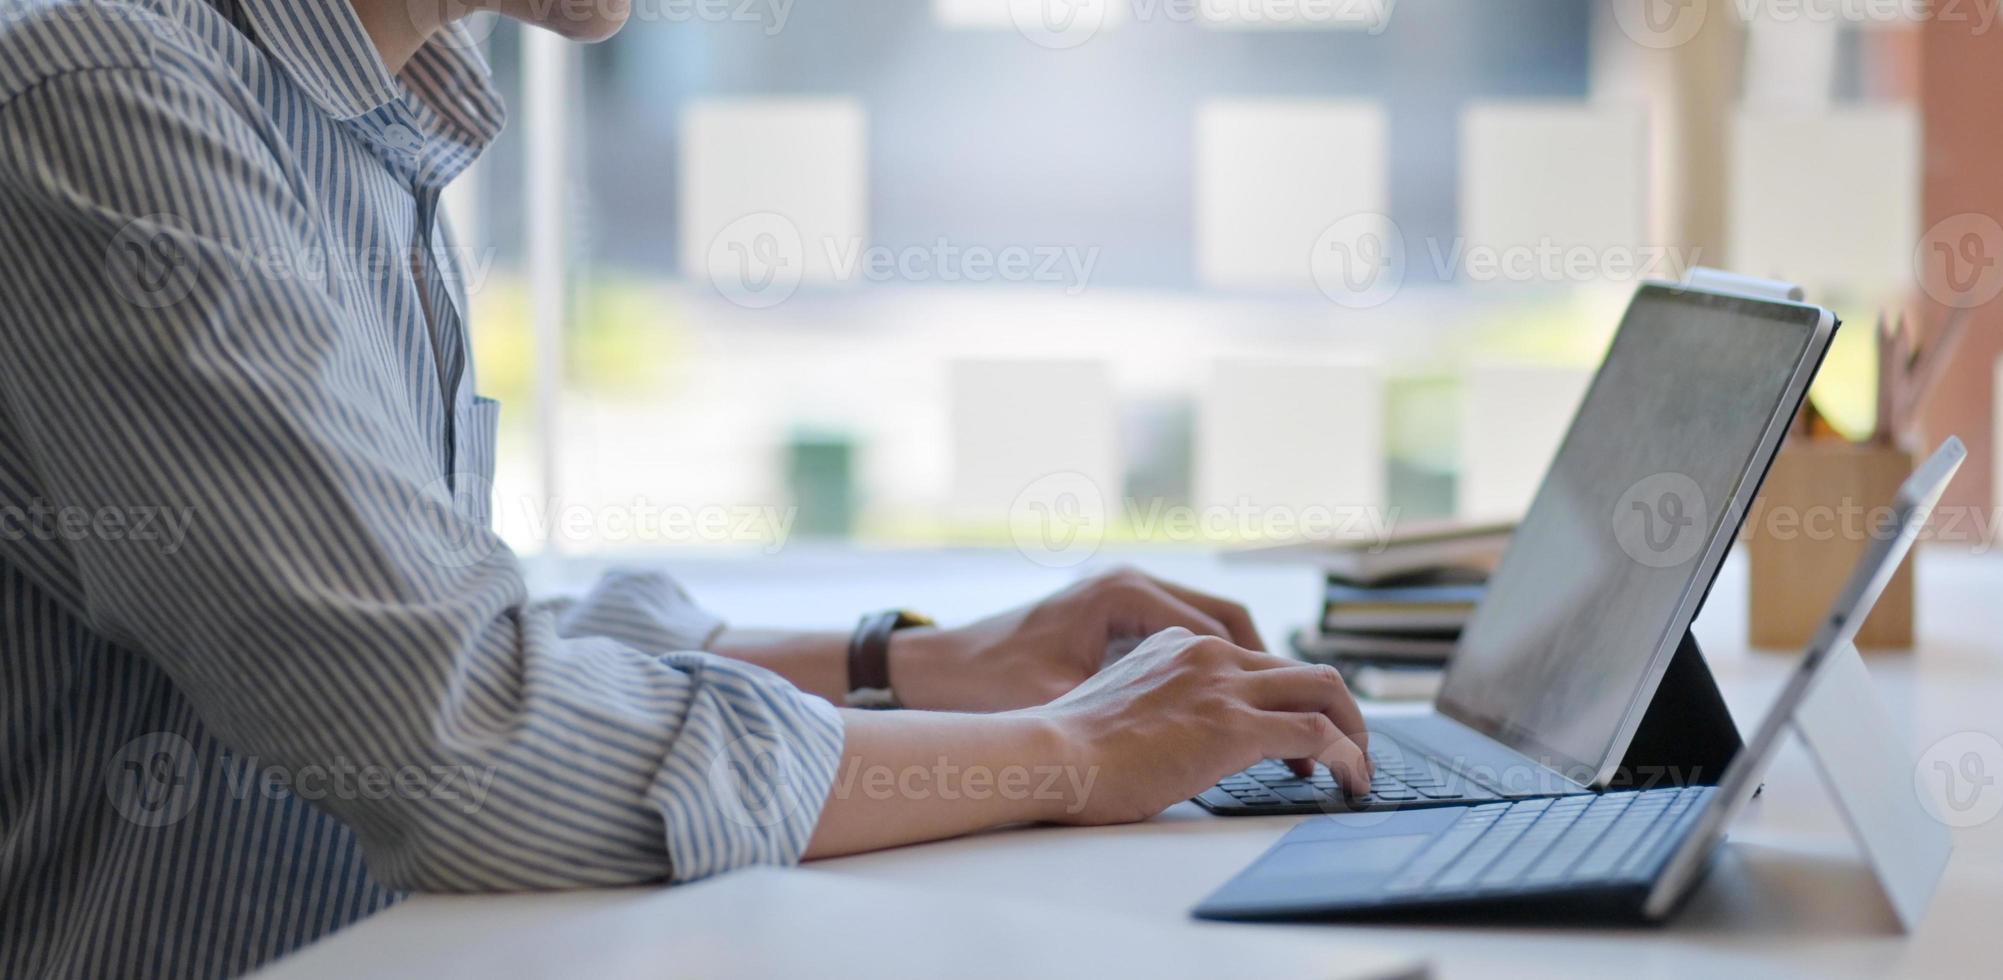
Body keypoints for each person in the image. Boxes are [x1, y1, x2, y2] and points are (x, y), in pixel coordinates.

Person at [0, 1, 1370, 976]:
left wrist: (915, 666)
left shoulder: (362, 125)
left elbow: (453, 641)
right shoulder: (110, 95)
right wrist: (1073, 756)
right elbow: (463, 740)